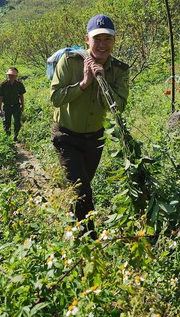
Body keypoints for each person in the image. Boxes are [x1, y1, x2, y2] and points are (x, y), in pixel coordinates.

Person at [50, 14, 129, 239]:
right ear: (87, 39)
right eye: (97, 39)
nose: (102, 45)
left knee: (80, 188)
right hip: (66, 135)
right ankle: (90, 240)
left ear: (114, 41)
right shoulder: (70, 61)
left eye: (107, 39)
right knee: (82, 189)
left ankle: (71, 229)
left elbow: (118, 107)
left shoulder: (120, 70)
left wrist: (103, 81)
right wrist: (84, 83)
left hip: (94, 137)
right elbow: (55, 98)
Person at [0, 67, 26, 141]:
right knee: (6, 123)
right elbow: (0, 97)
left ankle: (15, 137)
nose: (11, 76)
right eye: (9, 75)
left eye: (12, 75)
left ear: (16, 76)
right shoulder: (3, 85)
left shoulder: (19, 85)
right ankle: (7, 138)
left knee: (17, 122)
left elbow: (21, 96)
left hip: (16, 106)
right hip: (6, 106)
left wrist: (22, 106)